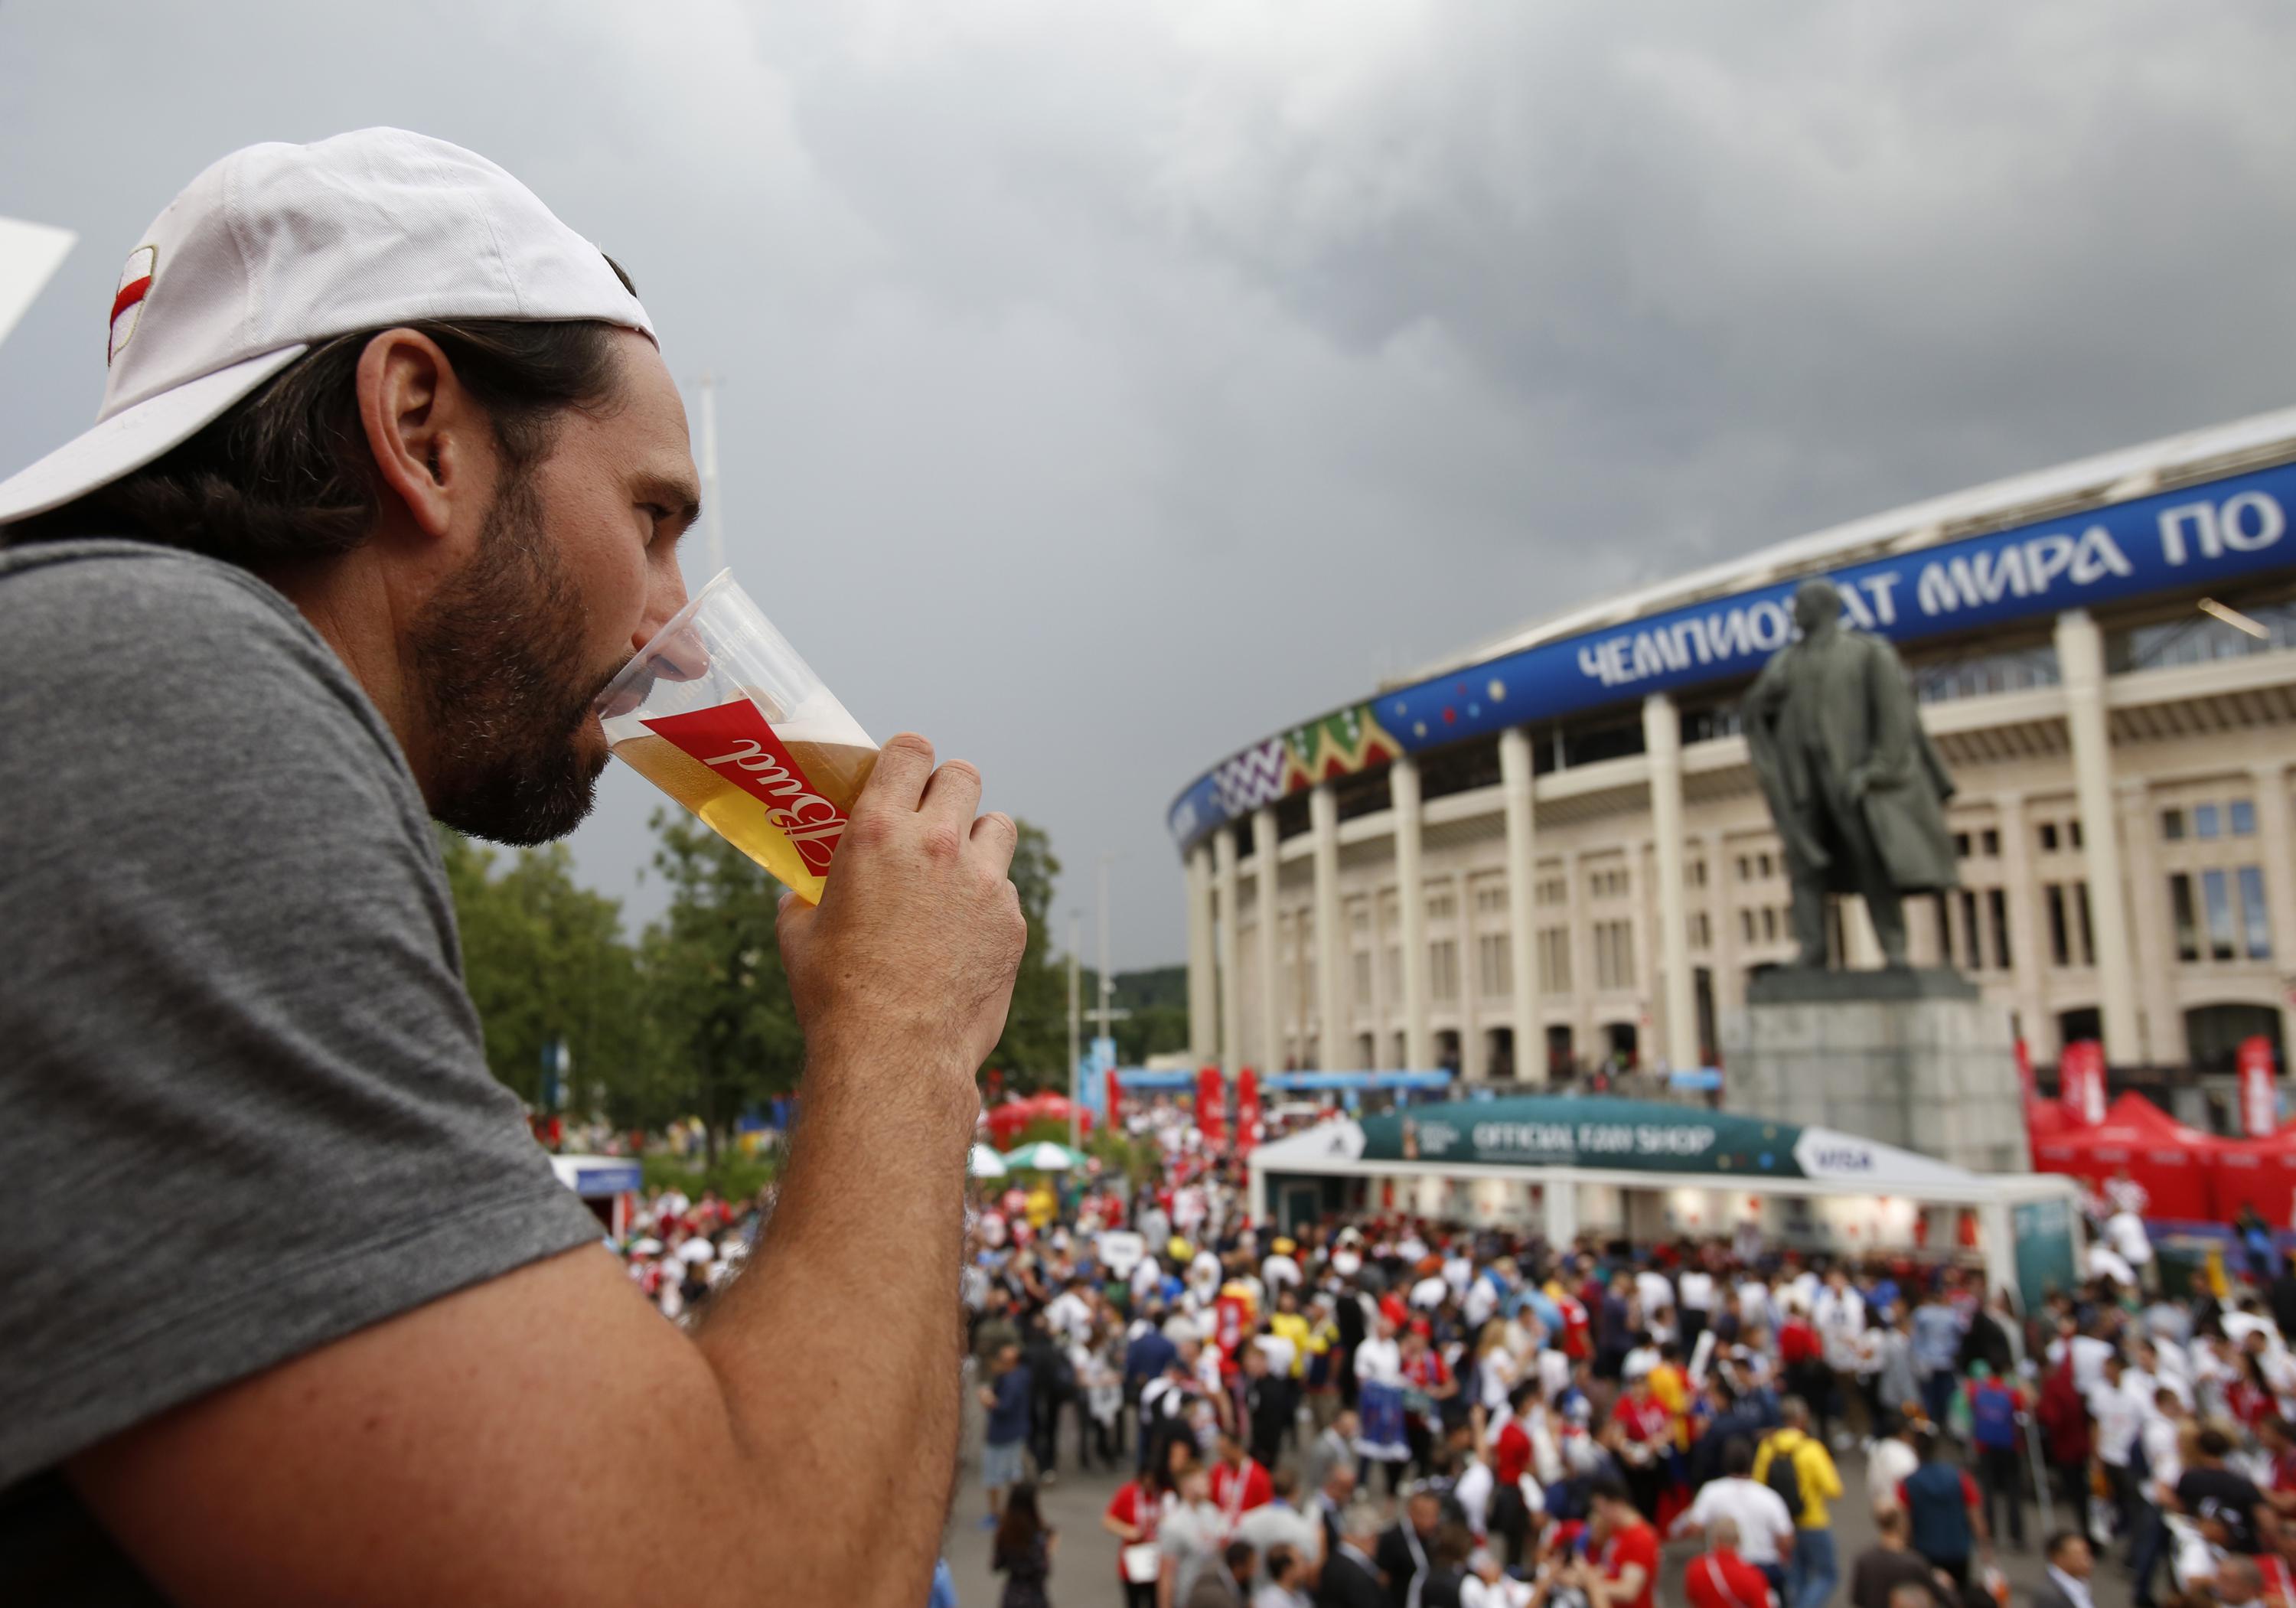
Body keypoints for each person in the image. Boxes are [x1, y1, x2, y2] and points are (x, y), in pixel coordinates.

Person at [0, 128, 1030, 1606]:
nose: (669, 618)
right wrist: (905, 1031)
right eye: (655, 518)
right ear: (420, 427)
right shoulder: (164, 685)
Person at [1675, 1437, 1795, 1602]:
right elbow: (1786, 1539)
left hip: (1723, 1567)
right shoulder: (1769, 1497)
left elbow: (1693, 1527)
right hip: (1764, 1566)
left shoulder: (1712, 1491)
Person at [1753, 1397, 1844, 1608]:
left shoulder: (1767, 1446)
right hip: (1813, 1521)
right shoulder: (1812, 1449)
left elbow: (1758, 1483)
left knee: (1796, 1577)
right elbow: (1835, 1490)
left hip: (1781, 1525)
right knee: (1827, 1574)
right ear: (1802, 1419)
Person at [1898, 1432, 1988, 1587]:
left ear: (1915, 1451)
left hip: (1924, 1552)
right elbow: (1975, 1515)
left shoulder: (1908, 1483)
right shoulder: (1960, 1478)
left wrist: (1903, 1550)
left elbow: (1904, 1524)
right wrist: (1985, 1548)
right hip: (1958, 1552)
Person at [1964, 1364, 2027, 1551]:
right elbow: (2024, 1411)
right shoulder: (2013, 1392)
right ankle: (2016, 1535)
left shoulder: (1977, 1389)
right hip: (2009, 1446)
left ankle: (1989, 1532)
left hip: (1985, 1446)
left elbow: (1970, 1407)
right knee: (2013, 1490)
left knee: (1988, 1489)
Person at [1847, 1503, 1949, 1608]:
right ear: (1903, 1523)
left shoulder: (1864, 1559)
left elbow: (1857, 1598)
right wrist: (1945, 1586)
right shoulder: (1914, 1563)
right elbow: (1944, 1598)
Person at [1237, 1469, 1325, 1583]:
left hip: (1251, 1588)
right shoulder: (1302, 1528)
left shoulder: (1248, 1519)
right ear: (1296, 1492)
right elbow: (1311, 1565)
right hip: (1280, 1592)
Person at [1163, 1465, 1231, 1608]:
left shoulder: (1212, 1512)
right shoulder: (1173, 1524)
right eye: (1202, 1478)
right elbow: (1166, 1575)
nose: (1209, 1482)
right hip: (1188, 1600)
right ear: (1186, 1484)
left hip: (1213, 1597)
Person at [1585, 1476, 1659, 1608]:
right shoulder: (1617, 1531)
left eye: (1600, 1509)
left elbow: (1629, 1591)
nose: (1599, 1515)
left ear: (1616, 1504)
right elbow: (1611, 1568)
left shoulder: (1641, 1538)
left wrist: (1590, 1584)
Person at [1108, 1461, 1174, 1608]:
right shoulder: (1128, 1492)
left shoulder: (1166, 1496)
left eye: (1152, 1481)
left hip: (1158, 1560)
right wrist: (1128, 1531)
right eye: (1145, 1480)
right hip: (1133, 1561)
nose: (1148, 1484)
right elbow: (1108, 1520)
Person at [983, 1342, 1035, 1525]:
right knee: (1014, 1473)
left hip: (1002, 1434)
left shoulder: (1012, 1380)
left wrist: (988, 1400)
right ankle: (1019, 1511)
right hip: (1016, 1431)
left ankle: (995, 1515)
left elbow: (1003, 1408)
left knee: (994, 1476)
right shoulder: (1021, 1375)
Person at [1686, 1517, 1782, 1608]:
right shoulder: (1751, 1575)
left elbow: (1693, 1600)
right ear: (1738, 1539)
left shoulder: (1696, 1567)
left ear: (1715, 1538)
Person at [993, 1480, 1058, 1608]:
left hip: (1012, 1595)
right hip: (1034, 1597)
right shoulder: (1037, 1535)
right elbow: (1042, 1570)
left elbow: (997, 1565)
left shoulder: (1005, 1532)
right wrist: (1049, 1549)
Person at [2029, 1531, 2095, 1608]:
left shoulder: (2079, 1584)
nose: (2089, 1561)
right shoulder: (2049, 1596)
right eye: (2080, 1556)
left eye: (2087, 1554)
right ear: (2060, 1558)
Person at [1187, 1540, 1258, 1608]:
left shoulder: (1232, 1589)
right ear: (1238, 1567)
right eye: (1252, 1566)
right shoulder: (1213, 1594)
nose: (1254, 1572)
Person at [1257, 1542, 1314, 1608]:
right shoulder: (1271, 1602)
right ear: (1287, 1570)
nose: (1306, 1565)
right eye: (1301, 1561)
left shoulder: (1300, 1595)